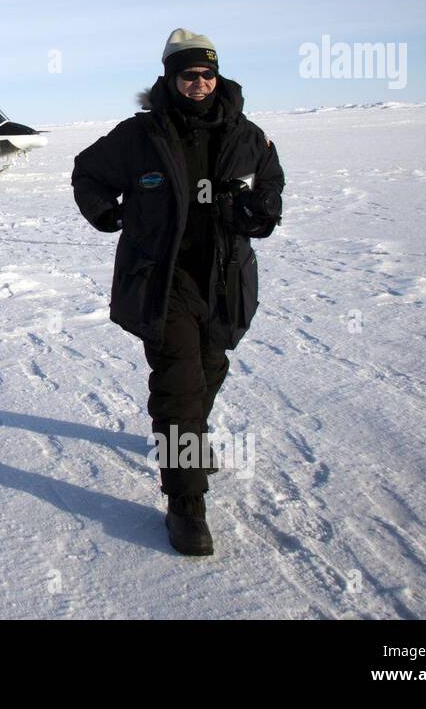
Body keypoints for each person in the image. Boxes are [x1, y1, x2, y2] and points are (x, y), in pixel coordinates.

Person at [71, 29, 284, 556]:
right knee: (179, 385)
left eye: (208, 73)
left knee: (210, 368)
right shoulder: (140, 135)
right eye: (189, 74)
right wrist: (107, 213)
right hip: (164, 280)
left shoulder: (245, 134)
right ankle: (186, 502)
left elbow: (270, 185)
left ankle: (184, 437)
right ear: (170, 76)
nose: (200, 83)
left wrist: (260, 213)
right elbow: (88, 173)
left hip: (225, 277)